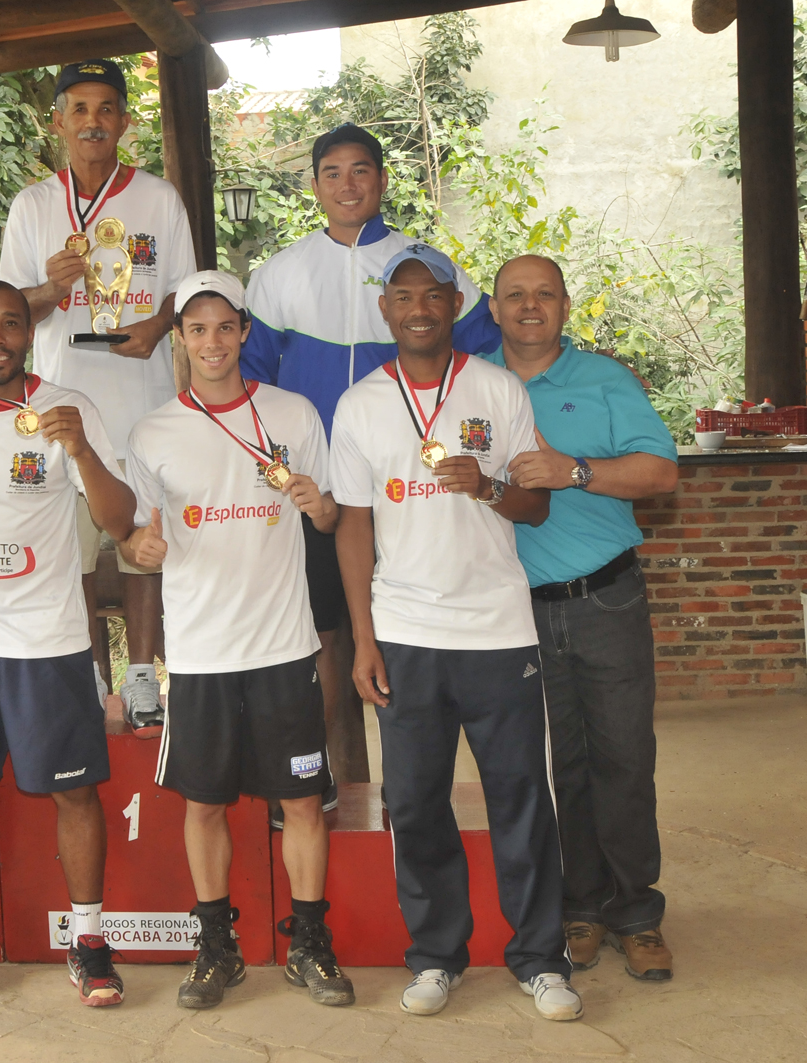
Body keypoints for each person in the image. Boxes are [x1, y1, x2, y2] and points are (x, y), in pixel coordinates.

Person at [330, 242, 582, 1022]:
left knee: (520, 797)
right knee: (414, 801)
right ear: (386, 311)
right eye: (403, 297)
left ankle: (541, 958)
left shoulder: (498, 389)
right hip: (404, 632)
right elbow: (352, 529)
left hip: (497, 630)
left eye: (433, 295)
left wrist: (491, 485)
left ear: (453, 304)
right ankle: (437, 955)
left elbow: (536, 505)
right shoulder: (361, 403)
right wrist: (364, 639)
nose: (418, 308)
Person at [240, 124, 502, 792]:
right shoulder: (279, 274)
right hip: (323, 494)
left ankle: (411, 794)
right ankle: (343, 787)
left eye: (361, 171)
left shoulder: (427, 267)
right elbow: (251, 381)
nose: (348, 185)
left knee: (410, 641)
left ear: (382, 181)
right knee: (330, 646)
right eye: (332, 172)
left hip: (415, 491)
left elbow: (485, 361)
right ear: (315, 185)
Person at [121, 271, 354, 1009]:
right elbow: (135, 540)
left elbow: (328, 517)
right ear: (181, 339)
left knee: (305, 803)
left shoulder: (293, 413)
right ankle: (216, 946)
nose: (213, 341)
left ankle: (309, 943)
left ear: (246, 332)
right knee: (205, 804)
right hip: (200, 656)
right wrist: (139, 551)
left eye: (226, 327)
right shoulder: (153, 432)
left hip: (284, 648)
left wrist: (321, 508)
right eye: (197, 329)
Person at [0, 279, 135, 1007]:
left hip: (50, 639)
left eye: (10, 323)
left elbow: (121, 516)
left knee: (74, 791)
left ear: (28, 333)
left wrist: (80, 449)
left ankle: (89, 938)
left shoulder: (70, 409)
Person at [485, 255, 680, 980]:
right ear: (495, 308)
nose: (530, 306)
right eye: (515, 295)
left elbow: (661, 474)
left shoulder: (604, 380)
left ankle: (638, 912)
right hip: (514, 613)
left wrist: (577, 470)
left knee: (624, 759)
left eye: (544, 294)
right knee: (556, 766)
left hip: (606, 598)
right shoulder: (471, 382)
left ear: (565, 306)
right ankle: (581, 906)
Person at [0, 59, 196, 737]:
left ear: (124, 121)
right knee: (73, 554)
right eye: (78, 109)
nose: (92, 121)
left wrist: (160, 322)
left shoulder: (158, 198)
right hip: (64, 405)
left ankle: (144, 674)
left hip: (141, 397)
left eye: (106, 108)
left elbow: (184, 289)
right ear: (57, 121)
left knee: (141, 542)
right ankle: (90, 673)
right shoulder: (31, 207)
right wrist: (48, 293)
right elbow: (7, 311)